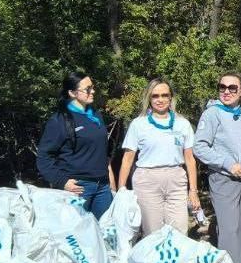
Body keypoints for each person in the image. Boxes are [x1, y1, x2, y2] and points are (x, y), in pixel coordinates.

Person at [194, 72, 241, 263]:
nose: (227, 91)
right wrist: (227, 164)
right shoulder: (212, 114)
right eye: (222, 87)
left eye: (232, 87)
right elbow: (199, 147)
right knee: (228, 230)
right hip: (224, 179)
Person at [117, 79, 200, 234]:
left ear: (171, 98)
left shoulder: (183, 124)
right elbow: (128, 159)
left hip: (176, 180)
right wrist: (121, 190)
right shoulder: (138, 124)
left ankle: (176, 259)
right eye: (155, 96)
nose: (160, 100)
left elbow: (190, 159)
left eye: (164, 95)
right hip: (147, 180)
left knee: (179, 231)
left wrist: (193, 191)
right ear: (149, 98)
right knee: (153, 232)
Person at [37, 71, 116, 219]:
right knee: (78, 236)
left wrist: (110, 182)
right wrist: (62, 181)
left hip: (103, 187)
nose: (93, 91)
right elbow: (44, 157)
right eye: (87, 89)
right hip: (78, 188)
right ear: (72, 93)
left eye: (92, 87)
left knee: (105, 236)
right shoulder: (60, 120)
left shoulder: (96, 116)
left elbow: (102, 153)